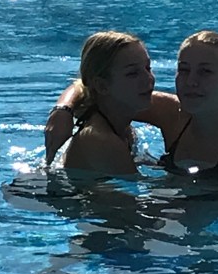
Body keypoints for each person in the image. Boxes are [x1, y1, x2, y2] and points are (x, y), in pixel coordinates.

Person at [46, 30, 218, 177]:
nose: (191, 82)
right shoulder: (172, 113)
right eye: (184, 70)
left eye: (205, 72)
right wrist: (62, 110)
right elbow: (91, 87)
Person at [61, 31, 155, 176]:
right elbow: (137, 188)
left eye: (148, 68)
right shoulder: (100, 140)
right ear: (102, 86)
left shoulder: (123, 128)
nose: (148, 78)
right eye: (132, 73)